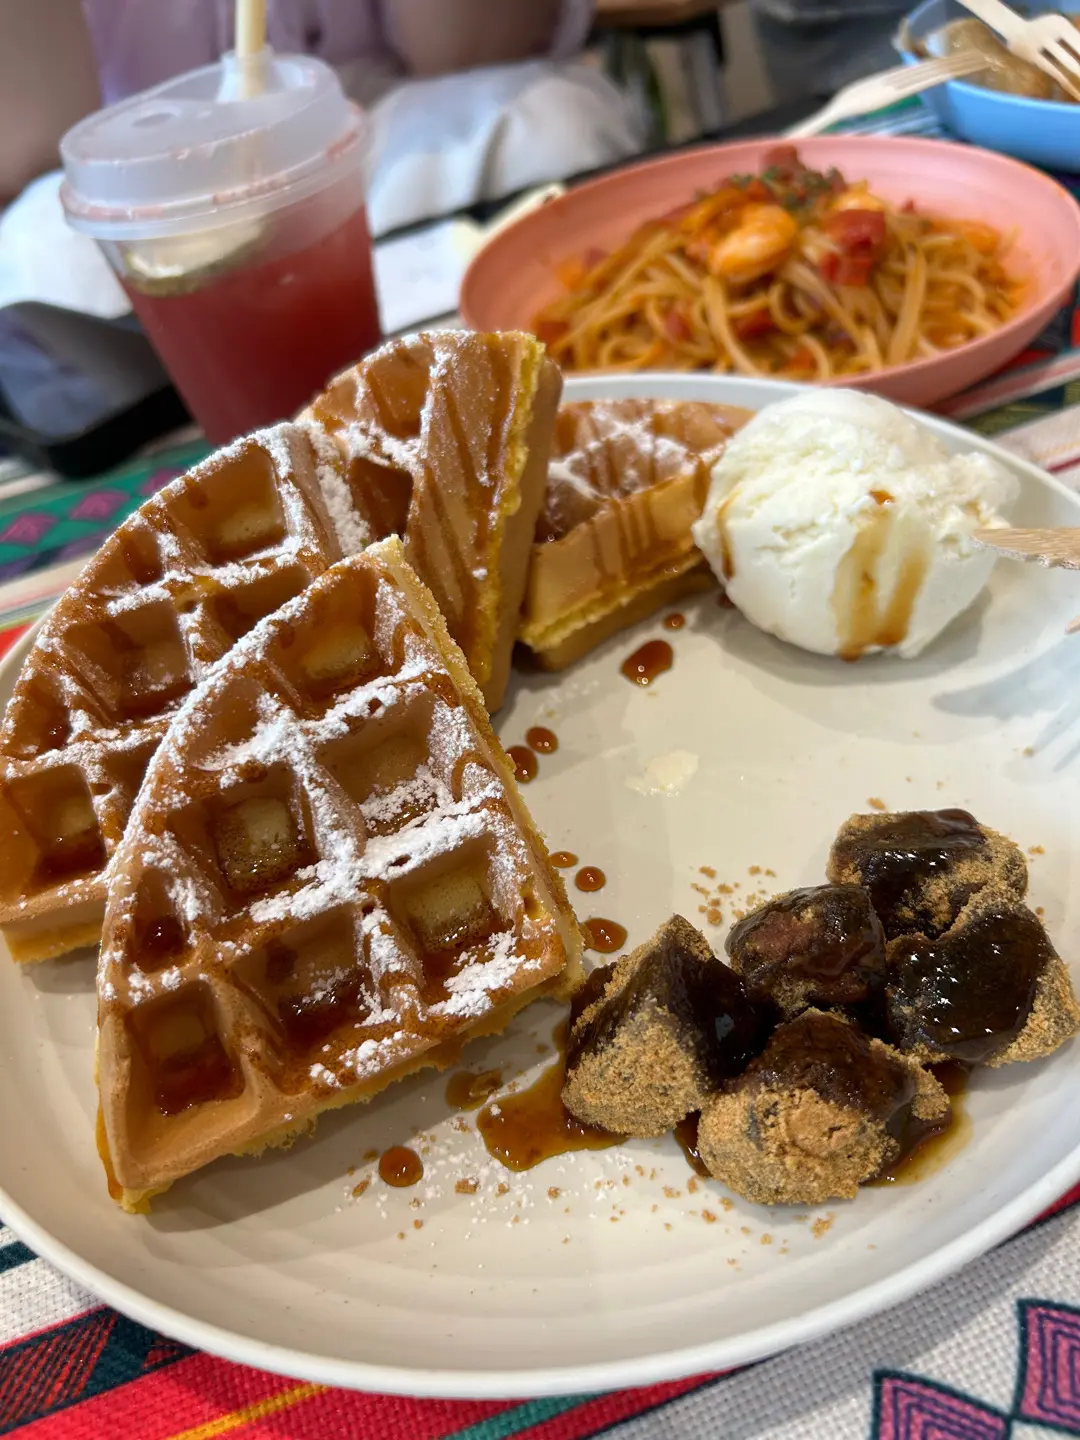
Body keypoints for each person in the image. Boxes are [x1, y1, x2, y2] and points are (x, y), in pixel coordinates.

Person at [0, 0, 646, 235]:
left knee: (548, 126)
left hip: (386, 126)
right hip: (139, 176)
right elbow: (33, 154)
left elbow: (469, 53)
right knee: (41, 250)